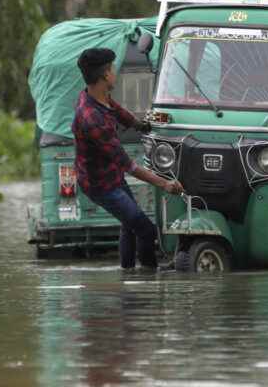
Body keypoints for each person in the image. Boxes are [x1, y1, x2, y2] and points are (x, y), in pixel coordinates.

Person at [72, 48, 184, 271]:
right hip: (100, 185)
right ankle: (149, 276)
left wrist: (143, 125)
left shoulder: (97, 97)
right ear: (105, 75)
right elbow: (128, 164)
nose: (116, 73)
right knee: (146, 229)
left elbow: (119, 111)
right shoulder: (92, 118)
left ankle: (128, 274)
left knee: (129, 224)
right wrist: (165, 184)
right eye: (113, 69)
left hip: (111, 175)